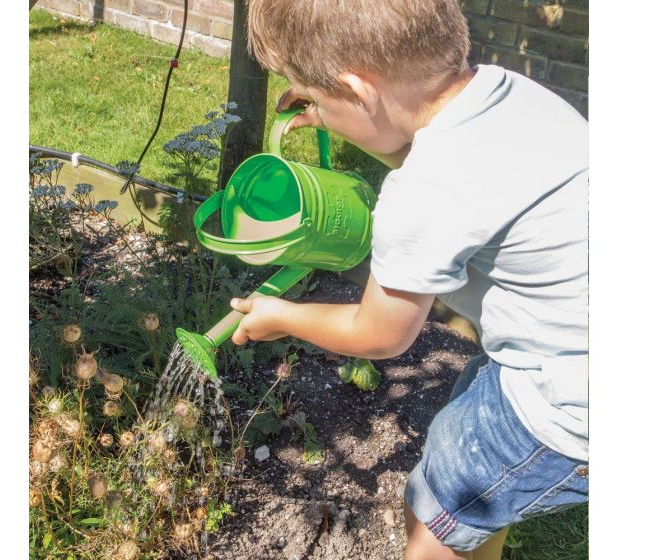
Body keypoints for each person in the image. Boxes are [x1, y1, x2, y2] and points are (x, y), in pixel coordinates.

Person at [229, 2, 588, 559]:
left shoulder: (424, 194)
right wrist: (340, 112)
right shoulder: (507, 92)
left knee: (438, 509)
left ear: (358, 90)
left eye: (319, 96)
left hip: (565, 405)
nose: (314, 107)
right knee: (470, 484)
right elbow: (427, 156)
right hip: (578, 343)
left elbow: (379, 335)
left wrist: (282, 316)